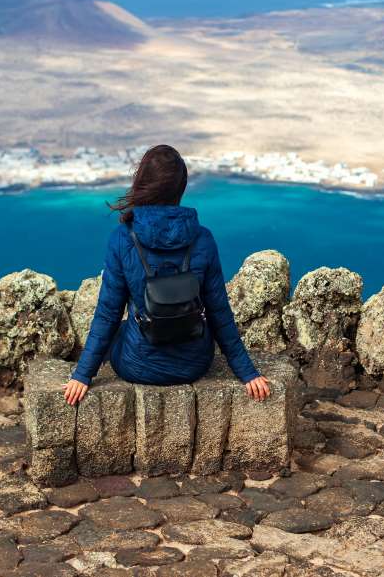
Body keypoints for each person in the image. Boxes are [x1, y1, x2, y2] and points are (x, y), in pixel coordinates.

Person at [63, 144, 271, 406]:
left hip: (136, 366)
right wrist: (247, 373)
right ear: (181, 187)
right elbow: (219, 312)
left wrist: (82, 375)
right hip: (194, 364)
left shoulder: (122, 239)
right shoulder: (203, 239)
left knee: (121, 328)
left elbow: (108, 313)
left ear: (141, 182)